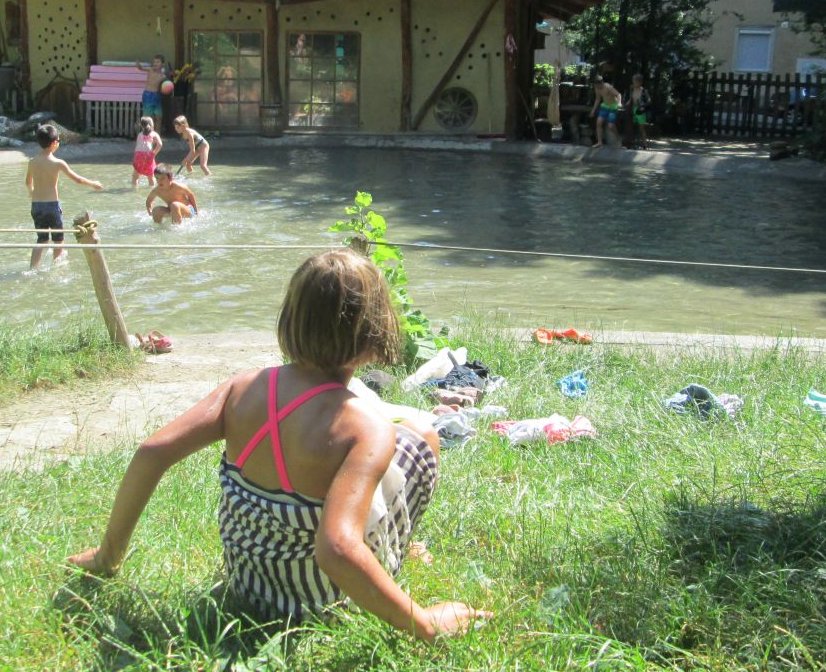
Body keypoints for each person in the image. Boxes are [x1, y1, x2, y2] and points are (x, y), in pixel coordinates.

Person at [68, 248, 491, 641]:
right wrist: (425, 623)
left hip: (250, 585)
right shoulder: (366, 429)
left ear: (291, 318)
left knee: (400, 434)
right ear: (373, 330)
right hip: (327, 602)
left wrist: (108, 555)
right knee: (422, 437)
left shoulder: (242, 388)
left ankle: (397, 548)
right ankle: (393, 554)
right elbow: (337, 548)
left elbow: (152, 452)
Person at [26, 123, 103, 270]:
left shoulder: (32, 162)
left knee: (41, 240)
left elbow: (28, 182)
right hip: (51, 206)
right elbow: (77, 179)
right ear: (54, 143)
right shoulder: (57, 163)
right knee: (58, 239)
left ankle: (32, 268)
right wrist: (93, 183)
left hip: (36, 206)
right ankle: (57, 266)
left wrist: (31, 192)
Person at [589, 67, 623, 148]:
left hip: (613, 107)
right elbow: (597, 99)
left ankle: (618, 139)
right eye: (594, 85)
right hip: (605, 106)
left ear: (600, 83)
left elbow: (618, 94)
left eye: (596, 85)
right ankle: (599, 142)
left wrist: (619, 103)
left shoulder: (608, 87)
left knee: (611, 126)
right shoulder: (596, 88)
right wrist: (593, 111)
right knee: (598, 122)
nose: (595, 87)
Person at [130, 116, 162, 188]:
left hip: (138, 155)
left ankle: (134, 189)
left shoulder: (139, 134)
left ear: (141, 126)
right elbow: (160, 144)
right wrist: (154, 153)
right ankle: (152, 190)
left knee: (135, 176)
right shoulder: (154, 134)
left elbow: (137, 146)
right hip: (148, 155)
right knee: (150, 176)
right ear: (152, 125)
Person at [138, 55, 169, 128]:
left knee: (159, 116)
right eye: (154, 62)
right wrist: (139, 66)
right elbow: (141, 68)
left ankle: (157, 133)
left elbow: (166, 86)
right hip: (148, 95)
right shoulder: (150, 70)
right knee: (147, 117)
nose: (155, 63)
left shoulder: (163, 76)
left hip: (157, 96)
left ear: (162, 64)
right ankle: (146, 132)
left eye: (158, 62)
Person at [629, 73, 650, 150]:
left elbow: (649, 100)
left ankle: (644, 144)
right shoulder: (632, 88)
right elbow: (631, 98)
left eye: (635, 81)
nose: (633, 82)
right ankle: (633, 143)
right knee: (633, 126)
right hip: (633, 109)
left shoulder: (644, 90)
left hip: (640, 110)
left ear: (639, 82)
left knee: (641, 127)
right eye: (633, 80)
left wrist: (643, 105)